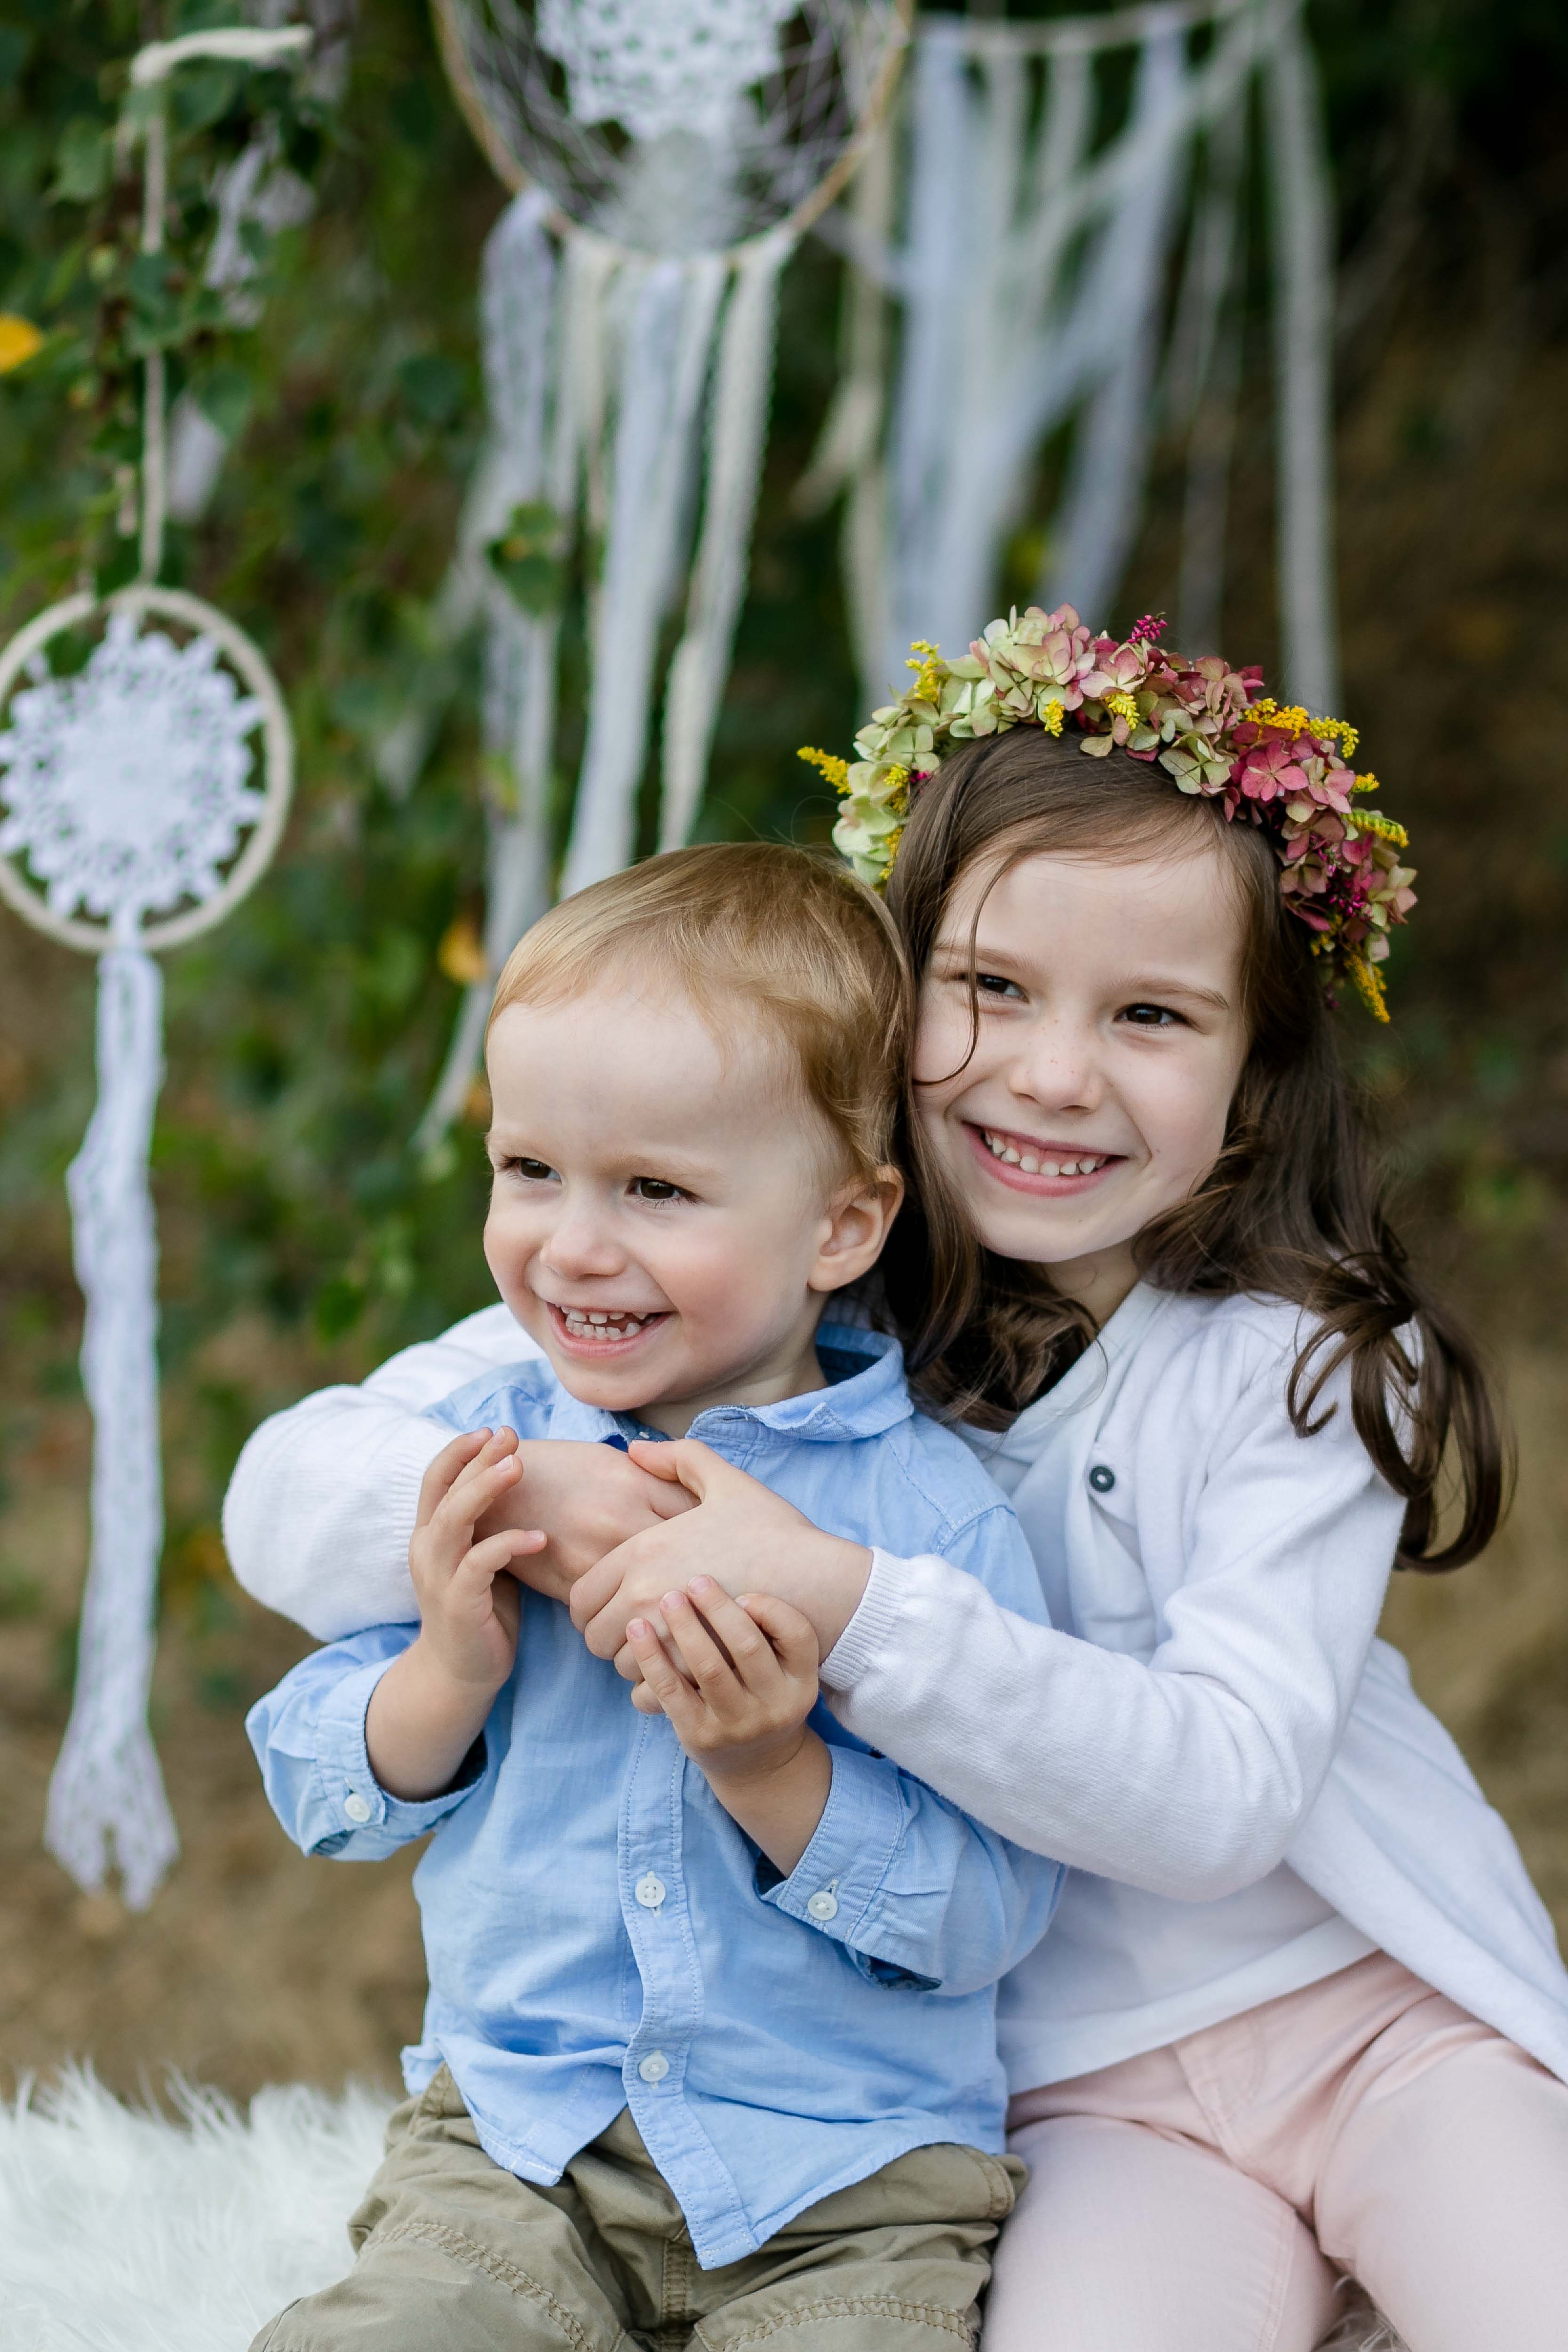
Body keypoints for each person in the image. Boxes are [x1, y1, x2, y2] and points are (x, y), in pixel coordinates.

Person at [227, 611, 1568, 2352]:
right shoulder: (757, 1293)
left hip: (1370, 2009)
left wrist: (842, 1600)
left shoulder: (1289, 1361)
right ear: (887, 1000)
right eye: (992, 989)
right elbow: (288, 1492)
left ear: (1254, 1074)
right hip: (1078, 2092)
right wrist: (541, 1495)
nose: (1053, 1072)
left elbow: (1223, 1794)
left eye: (1151, 1014)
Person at [243, 842, 1060, 2352]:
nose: (573, 1243)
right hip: (520, 2153)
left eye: (657, 1189)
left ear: (842, 1228)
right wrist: (448, 1673)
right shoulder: (486, 1455)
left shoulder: (928, 1522)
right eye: (529, 1169)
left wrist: (771, 1766)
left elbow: (989, 1914)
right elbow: (316, 1784)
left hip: (849, 2184)